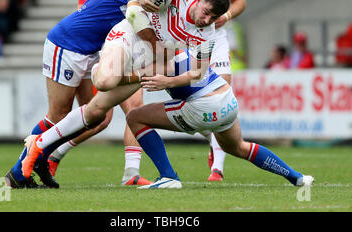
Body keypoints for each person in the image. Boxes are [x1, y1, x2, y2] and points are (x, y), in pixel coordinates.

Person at [18, 0, 231, 183]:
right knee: (105, 82)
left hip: (152, 57)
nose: (206, 20)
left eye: (213, 18)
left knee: (96, 111)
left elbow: (199, 71)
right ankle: (102, 67)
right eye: (206, 12)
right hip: (129, 35)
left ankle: (39, 143)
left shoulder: (208, 31)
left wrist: (167, 82)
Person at [3, 0, 183, 189]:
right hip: (68, 44)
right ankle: (19, 172)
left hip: (91, 52)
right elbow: (134, 17)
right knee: (58, 114)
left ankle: (42, 160)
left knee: (97, 117)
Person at [125, 47, 314, 189]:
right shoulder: (182, 46)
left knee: (135, 118)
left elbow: (119, 83)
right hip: (227, 99)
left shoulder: (160, 58)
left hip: (203, 106)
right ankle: (296, 177)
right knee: (238, 147)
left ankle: (168, 176)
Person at [47, 0, 151, 187]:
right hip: (91, 54)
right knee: (76, 115)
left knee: (130, 111)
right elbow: (91, 20)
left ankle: (131, 173)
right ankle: (44, 156)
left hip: (110, 53)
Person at [179, 0, 247, 181]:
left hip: (215, 42)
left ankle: (217, 166)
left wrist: (225, 17)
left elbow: (240, 0)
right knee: (194, 100)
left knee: (222, 97)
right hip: (184, 45)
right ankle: (211, 136)